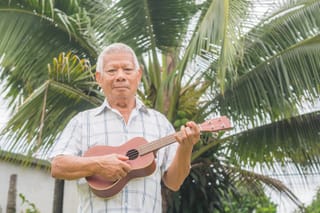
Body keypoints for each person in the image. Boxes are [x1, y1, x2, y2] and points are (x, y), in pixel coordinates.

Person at [50, 43, 200, 213]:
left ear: (138, 75)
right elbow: (58, 166)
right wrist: (98, 165)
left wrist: (186, 147)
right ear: (99, 78)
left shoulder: (160, 123)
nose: (120, 76)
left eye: (127, 70)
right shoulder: (82, 122)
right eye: (112, 71)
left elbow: (174, 182)